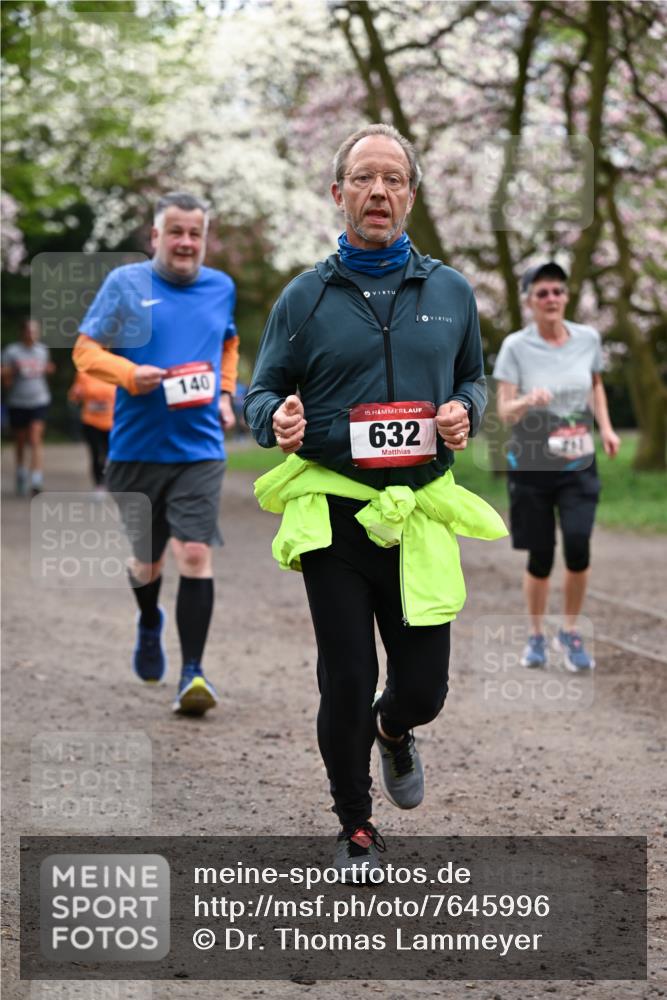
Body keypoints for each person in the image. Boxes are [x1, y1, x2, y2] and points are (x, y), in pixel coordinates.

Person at [245, 124, 506, 878]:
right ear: (338, 194)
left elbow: (472, 380)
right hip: (334, 508)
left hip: (418, 508)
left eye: (393, 179)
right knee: (347, 674)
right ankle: (355, 825)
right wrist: (276, 419)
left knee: (421, 688)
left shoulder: (451, 290)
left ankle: (394, 731)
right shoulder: (303, 297)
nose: (378, 192)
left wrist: (464, 411)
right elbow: (261, 390)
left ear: (412, 196)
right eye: (363, 178)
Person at [72, 192, 239, 715]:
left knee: (194, 553)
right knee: (146, 564)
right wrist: (128, 374)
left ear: (204, 240)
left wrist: (227, 395)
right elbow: (84, 351)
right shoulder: (126, 285)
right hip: (137, 449)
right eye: (176, 232)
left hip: (199, 449)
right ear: (156, 237)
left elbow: (228, 343)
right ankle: (149, 622)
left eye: (195, 233)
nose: (186, 242)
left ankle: (193, 674)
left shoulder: (221, 287)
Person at [493, 261, 621, 672]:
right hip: (531, 459)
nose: (552, 299)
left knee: (579, 543)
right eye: (542, 292)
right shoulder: (516, 346)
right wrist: (528, 401)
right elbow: (504, 410)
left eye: (558, 291)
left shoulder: (588, 339)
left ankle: (570, 630)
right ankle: (535, 635)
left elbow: (596, 386)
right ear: (529, 300)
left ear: (567, 297)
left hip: (578, 457)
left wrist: (607, 428)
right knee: (541, 555)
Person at [1, 318, 55, 496]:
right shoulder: (12, 351)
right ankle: (21, 472)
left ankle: (37, 479)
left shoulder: (42, 351)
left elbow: (45, 372)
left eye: (35, 331)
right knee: (20, 441)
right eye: (29, 331)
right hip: (18, 401)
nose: (32, 334)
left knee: (35, 437)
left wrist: (48, 369)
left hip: (39, 400)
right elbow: (6, 382)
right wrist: (8, 373)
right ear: (23, 332)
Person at [68, 370, 116, 494]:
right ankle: (99, 485)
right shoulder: (84, 373)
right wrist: (76, 394)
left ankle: (110, 480)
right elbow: (73, 397)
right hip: (91, 422)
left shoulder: (114, 371)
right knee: (95, 454)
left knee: (109, 455)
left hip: (111, 423)